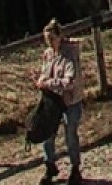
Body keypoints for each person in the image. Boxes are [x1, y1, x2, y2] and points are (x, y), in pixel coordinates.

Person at [34, 18, 85, 184]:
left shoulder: (70, 54)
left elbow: (70, 82)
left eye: (51, 38)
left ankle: (75, 168)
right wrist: (40, 80)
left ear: (58, 37)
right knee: (47, 133)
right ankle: (50, 165)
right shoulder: (48, 55)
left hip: (70, 101)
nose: (48, 42)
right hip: (53, 101)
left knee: (70, 134)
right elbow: (45, 72)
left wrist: (48, 83)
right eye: (46, 39)